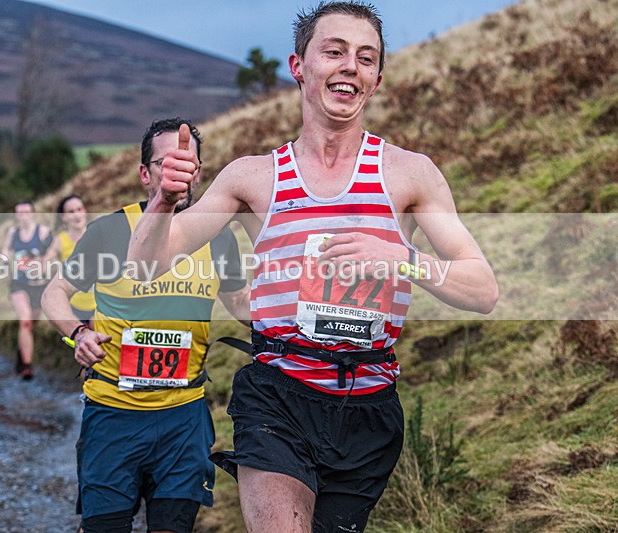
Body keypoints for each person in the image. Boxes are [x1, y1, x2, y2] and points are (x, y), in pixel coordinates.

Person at [126, 3, 499, 532]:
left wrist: (403, 259)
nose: (351, 65)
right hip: (278, 394)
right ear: (299, 66)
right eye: (334, 51)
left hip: (369, 403)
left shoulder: (411, 175)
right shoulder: (251, 178)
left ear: (376, 79)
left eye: (365, 58)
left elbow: (483, 288)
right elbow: (145, 268)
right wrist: (164, 203)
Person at [41, 117, 251, 533]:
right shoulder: (110, 231)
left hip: (183, 419)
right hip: (113, 416)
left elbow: (243, 304)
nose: (179, 172)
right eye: (167, 163)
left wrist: (307, 315)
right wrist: (77, 335)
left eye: (188, 163)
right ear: (144, 173)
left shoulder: (218, 237)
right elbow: (54, 292)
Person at [2, 199, 52, 380]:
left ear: (33, 213)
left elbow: (52, 252)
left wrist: (43, 263)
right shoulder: (13, 232)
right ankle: (28, 367)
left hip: (39, 285)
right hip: (19, 283)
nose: (23, 215)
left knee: (33, 323)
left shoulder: (43, 231)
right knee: (25, 321)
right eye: (19, 212)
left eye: (26, 211)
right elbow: (6, 249)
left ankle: (20, 352)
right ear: (16, 215)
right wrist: (5, 259)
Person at [45, 195, 97, 324]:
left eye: (80, 209)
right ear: (63, 217)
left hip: (100, 304)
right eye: (71, 212)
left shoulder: (97, 234)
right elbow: (45, 262)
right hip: (73, 305)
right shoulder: (60, 240)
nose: (77, 215)